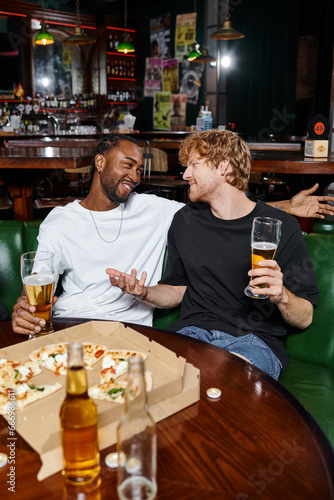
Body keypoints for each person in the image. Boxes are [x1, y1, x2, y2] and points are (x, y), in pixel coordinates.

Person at [12, 134, 333, 337]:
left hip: (131, 332)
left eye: (140, 169)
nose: (135, 176)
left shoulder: (157, 209)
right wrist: (26, 309)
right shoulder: (60, 221)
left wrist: (287, 206)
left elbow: (229, 206)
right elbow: (38, 282)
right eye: (127, 165)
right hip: (72, 325)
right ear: (99, 162)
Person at [106, 130, 320, 380]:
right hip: (193, 335)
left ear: (224, 166)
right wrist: (145, 293)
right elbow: (177, 290)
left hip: (254, 343)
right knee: (148, 380)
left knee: (226, 384)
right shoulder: (185, 220)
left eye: (194, 165)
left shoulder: (280, 227)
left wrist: (283, 296)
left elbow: (304, 317)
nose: (185, 174)